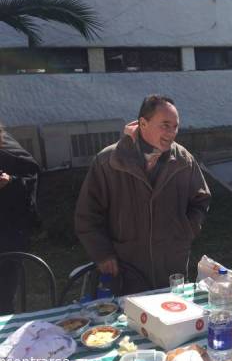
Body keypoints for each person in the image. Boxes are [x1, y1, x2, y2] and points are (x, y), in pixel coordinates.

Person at [75, 95, 211, 294]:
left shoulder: (184, 160)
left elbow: (200, 199)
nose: (171, 133)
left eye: (175, 126)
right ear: (143, 123)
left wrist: (185, 231)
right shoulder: (109, 162)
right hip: (126, 271)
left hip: (171, 270)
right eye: (165, 125)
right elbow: (87, 215)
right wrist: (103, 254)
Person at [0, 125, 40, 314]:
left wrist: (11, 181)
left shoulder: (8, 151)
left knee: (4, 298)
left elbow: (30, 178)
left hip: (8, 235)